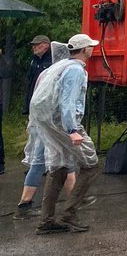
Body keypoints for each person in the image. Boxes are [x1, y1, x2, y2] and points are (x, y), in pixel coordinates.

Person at [28, 34, 101, 235]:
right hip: (64, 122)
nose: (92, 49)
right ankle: (70, 212)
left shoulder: (60, 66)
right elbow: (68, 101)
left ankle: (46, 220)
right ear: (84, 49)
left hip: (48, 120)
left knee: (58, 166)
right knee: (91, 165)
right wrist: (72, 130)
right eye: (90, 46)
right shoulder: (76, 70)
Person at [15, 42, 82, 220]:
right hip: (53, 123)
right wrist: (70, 127)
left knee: (40, 162)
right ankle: (74, 202)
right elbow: (66, 101)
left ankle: (25, 203)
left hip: (41, 122)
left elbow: (36, 97)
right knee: (66, 162)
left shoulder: (46, 73)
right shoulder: (65, 72)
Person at [24, 34, 53, 114]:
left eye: (37, 44)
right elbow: (29, 80)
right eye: (33, 45)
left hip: (47, 99)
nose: (34, 47)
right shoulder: (34, 60)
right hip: (33, 96)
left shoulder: (53, 59)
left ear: (46, 45)